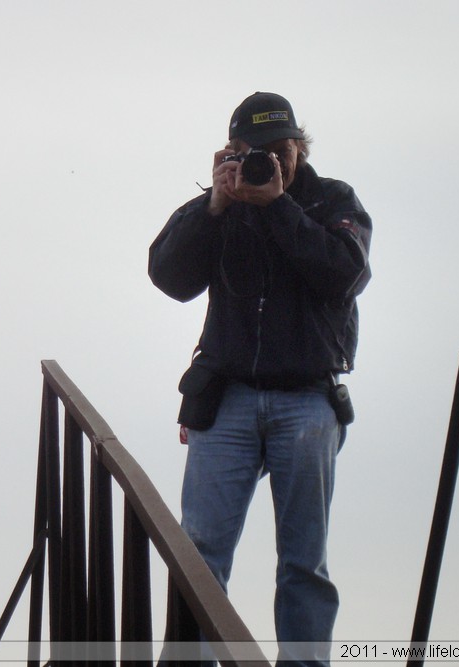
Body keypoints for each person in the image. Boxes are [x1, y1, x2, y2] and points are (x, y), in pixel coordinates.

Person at [148, 92, 372, 665]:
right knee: (199, 553)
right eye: (256, 152)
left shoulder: (331, 200)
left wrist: (277, 206)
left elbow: (344, 274)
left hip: (308, 400)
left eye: (281, 150)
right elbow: (169, 276)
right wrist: (215, 205)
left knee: (304, 559)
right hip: (228, 400)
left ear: (300, 146)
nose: (270, 163)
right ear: (231, 152)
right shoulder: (222, 201)